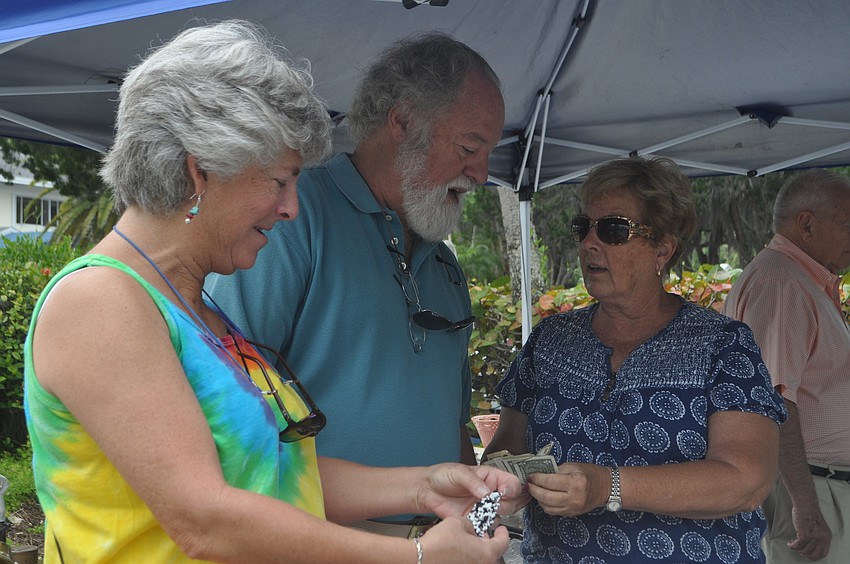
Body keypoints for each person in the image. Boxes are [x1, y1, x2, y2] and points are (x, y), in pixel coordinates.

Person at [22, 21, 522, 563]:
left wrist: (423, 487)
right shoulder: (99, 300)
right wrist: (418, 558)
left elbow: (281, 473)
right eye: (279, 180)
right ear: (202, 171)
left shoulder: (196, 307)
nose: (291, 208)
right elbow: (205, 520)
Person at [205, 31, 505, 533]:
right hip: (316, 540)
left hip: (438, 541)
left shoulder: (445, 267)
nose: (482, 172)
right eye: (469, 147)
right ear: (403, 120)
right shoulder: (290, 221)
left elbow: (453, 426)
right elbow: (228, 418)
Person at [483, 156, 788, 563]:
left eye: (613, 229)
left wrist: (605, 486)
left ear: (662, 250)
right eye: (583, 227)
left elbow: (746, 480)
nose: (590, 242)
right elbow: (507, 444)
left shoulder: (721, 345)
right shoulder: (551, 340)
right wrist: (507, 482)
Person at [722, 170, 850, 563]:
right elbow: (774, 404)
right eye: (848, 224)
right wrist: (806, 507)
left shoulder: (798, 278)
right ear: (807, 224)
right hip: (809, 489)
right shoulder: (782, 282)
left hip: (816, 484)